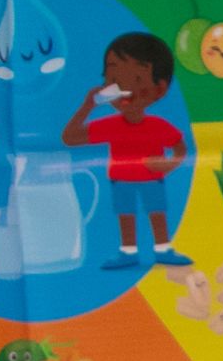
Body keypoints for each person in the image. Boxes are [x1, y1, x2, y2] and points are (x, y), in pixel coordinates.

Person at [67, 31, 192, 266]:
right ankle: (128, 252)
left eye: (136, 80)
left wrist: (168, 164)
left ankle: (163, 249)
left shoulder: (159, 126)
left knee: (157, 212)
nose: (124, 90)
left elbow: (181, 150)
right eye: (113, 80)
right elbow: (70, 137)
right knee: (126, 215)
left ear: (159, 89)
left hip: (152, 178)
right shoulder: (110, 126)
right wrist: (88, 105)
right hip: (120, 180)